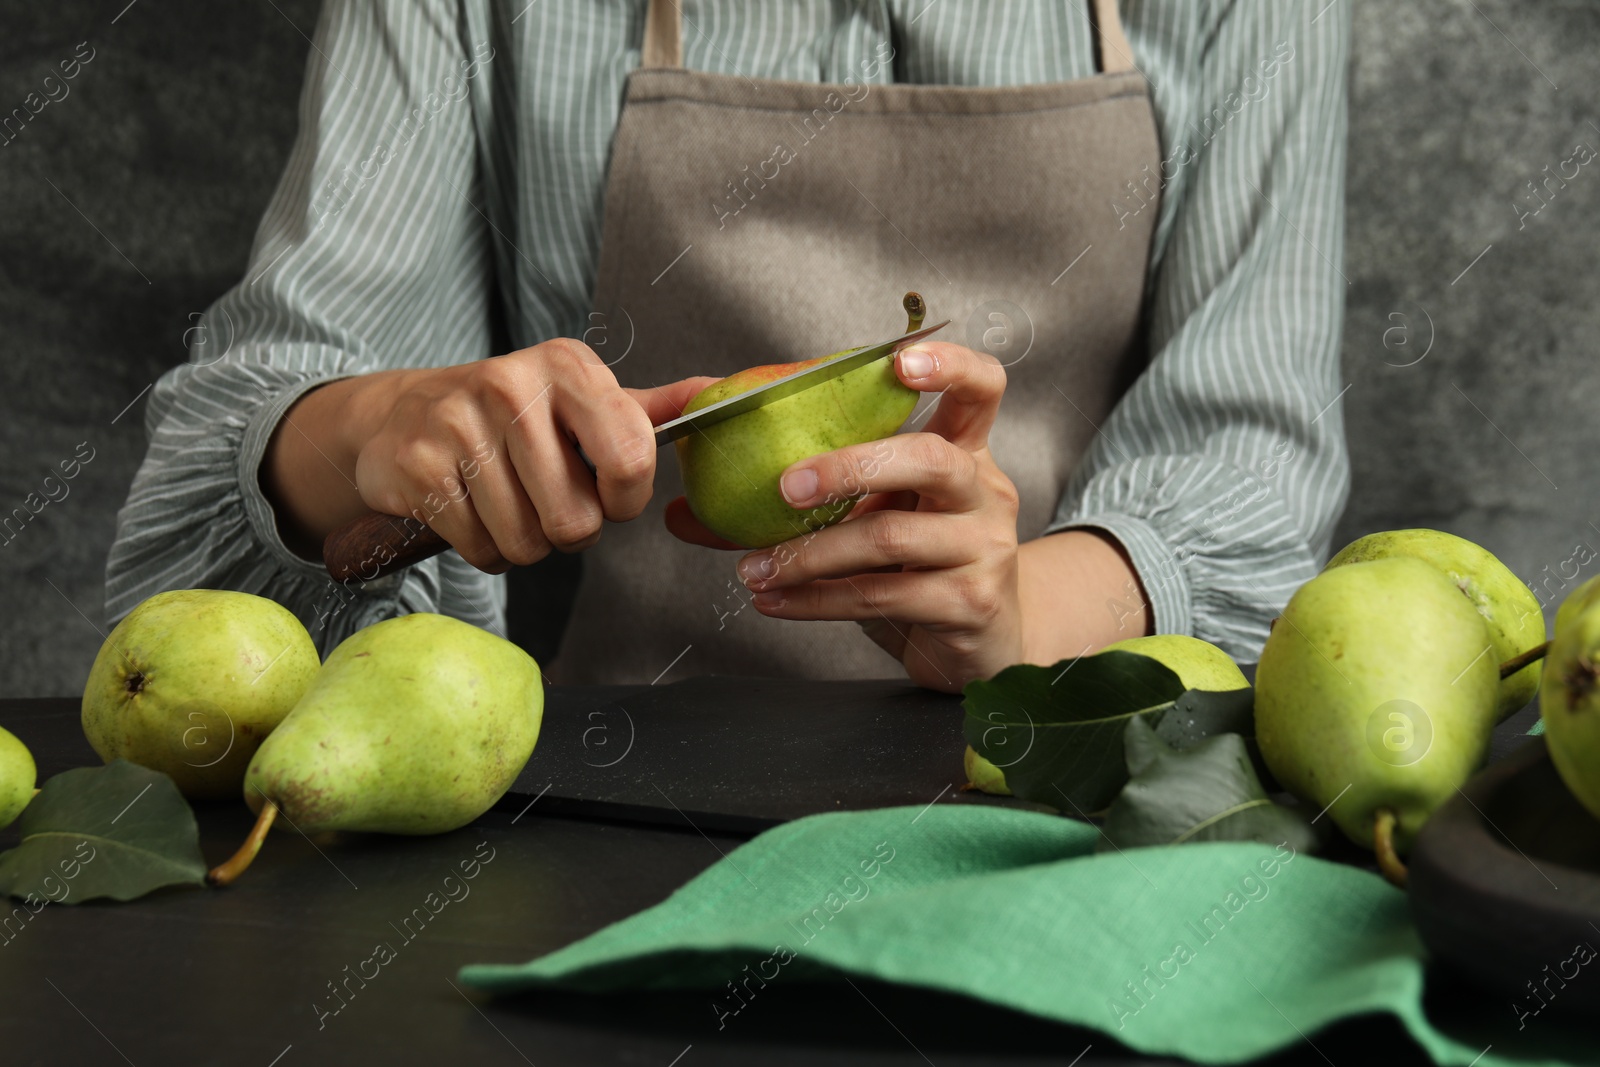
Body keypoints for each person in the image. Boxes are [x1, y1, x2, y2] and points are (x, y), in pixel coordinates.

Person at [106, 0, 1350, 693]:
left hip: (1047, 804)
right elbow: (278, 429)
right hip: (589, 811)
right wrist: (379, 435)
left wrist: (1022, 611)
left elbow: (1244, 451)